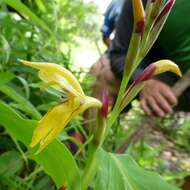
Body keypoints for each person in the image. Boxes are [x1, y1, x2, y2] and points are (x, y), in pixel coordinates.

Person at [94, 0, 190, 117]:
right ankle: (88, 131)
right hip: (165, 78)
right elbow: (119, 54)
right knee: (104, 71)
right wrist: (143, 81)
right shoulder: (137, 4)